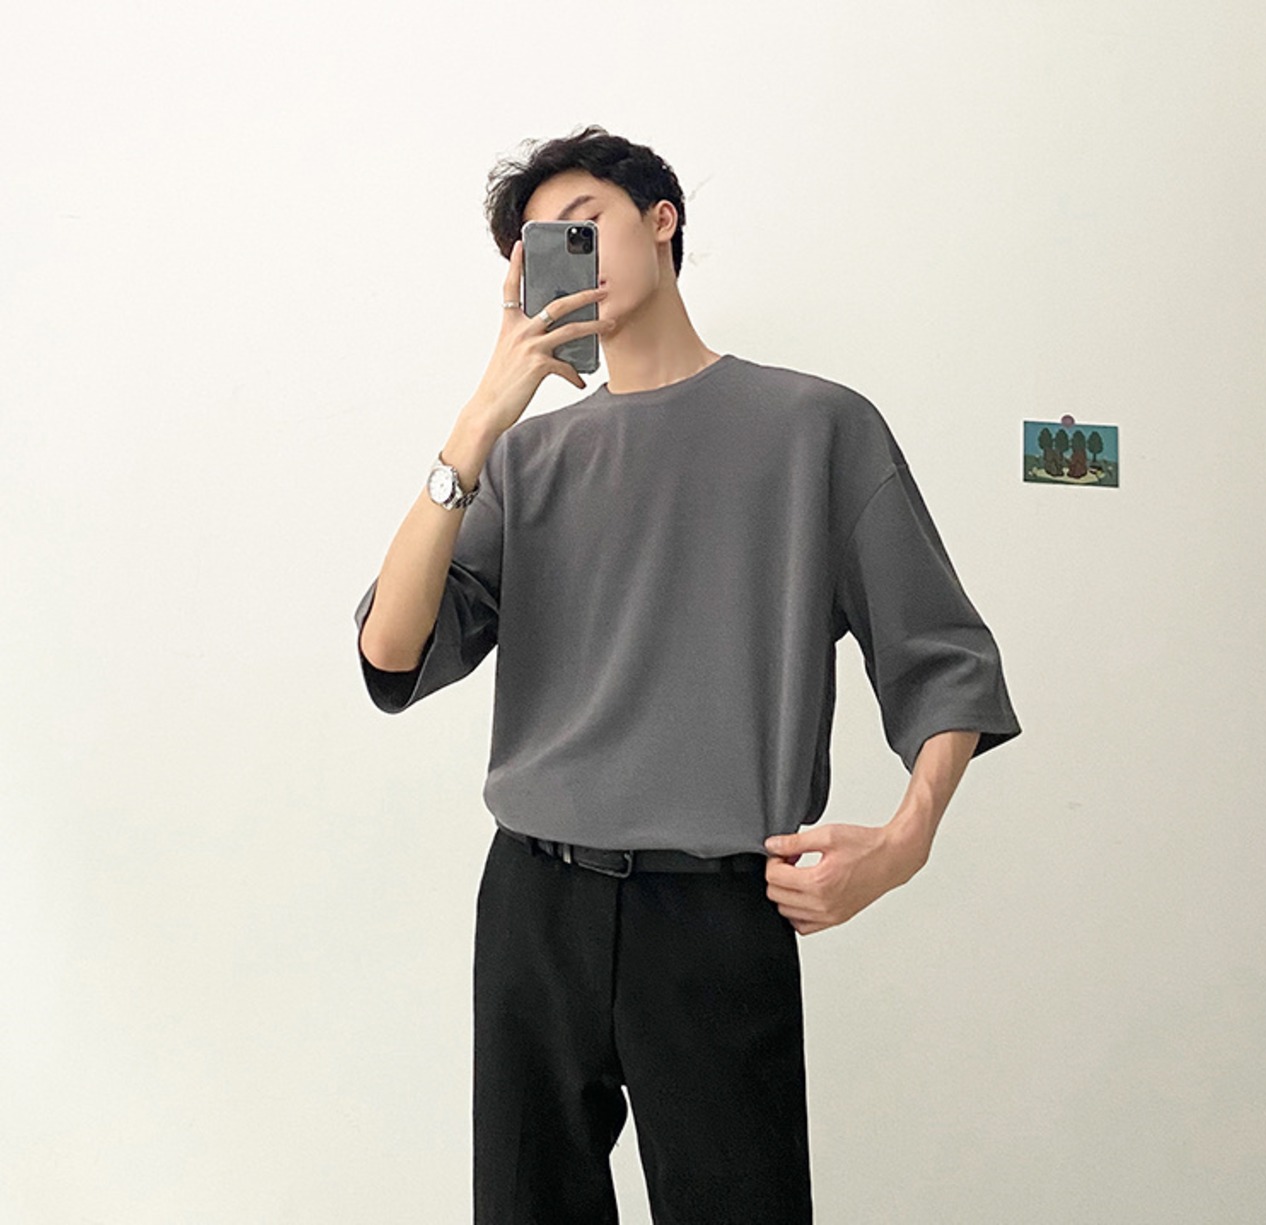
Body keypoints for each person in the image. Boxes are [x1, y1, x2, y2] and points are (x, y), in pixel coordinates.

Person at [353, 125, 1021, 1225]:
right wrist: (477, 423)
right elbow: (390, 650)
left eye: (585, 226)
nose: (568, 257)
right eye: (541, 247)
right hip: (532, 904)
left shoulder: (816, 427)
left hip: (713, 912)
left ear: (661, 221)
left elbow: (941, 657)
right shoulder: (524, 458)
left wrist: (904, 842)